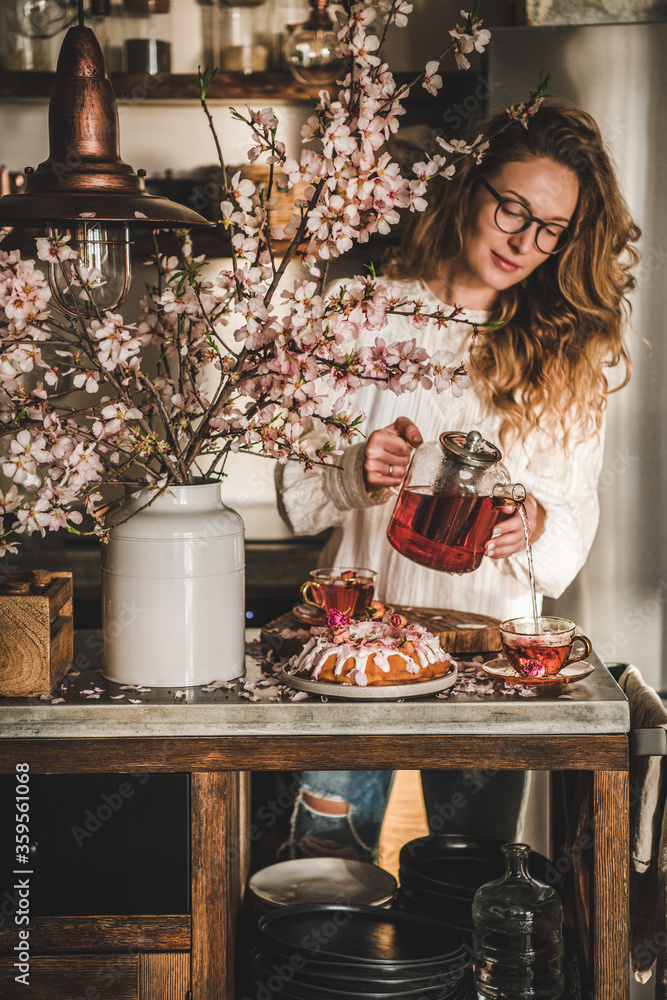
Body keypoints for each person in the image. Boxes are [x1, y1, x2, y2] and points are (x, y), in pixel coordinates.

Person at [274, 99, 640, 861]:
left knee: (469, 880)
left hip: (488, 666)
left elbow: (568, 537)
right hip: (354, 655)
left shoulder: (568, 356)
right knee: (318, 867)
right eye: (513, 208)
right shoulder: (362, 313)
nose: (524, 240)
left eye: (550, 228)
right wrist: (351, 471)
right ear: (471, 187)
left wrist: (532, 524)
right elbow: (295, 499)